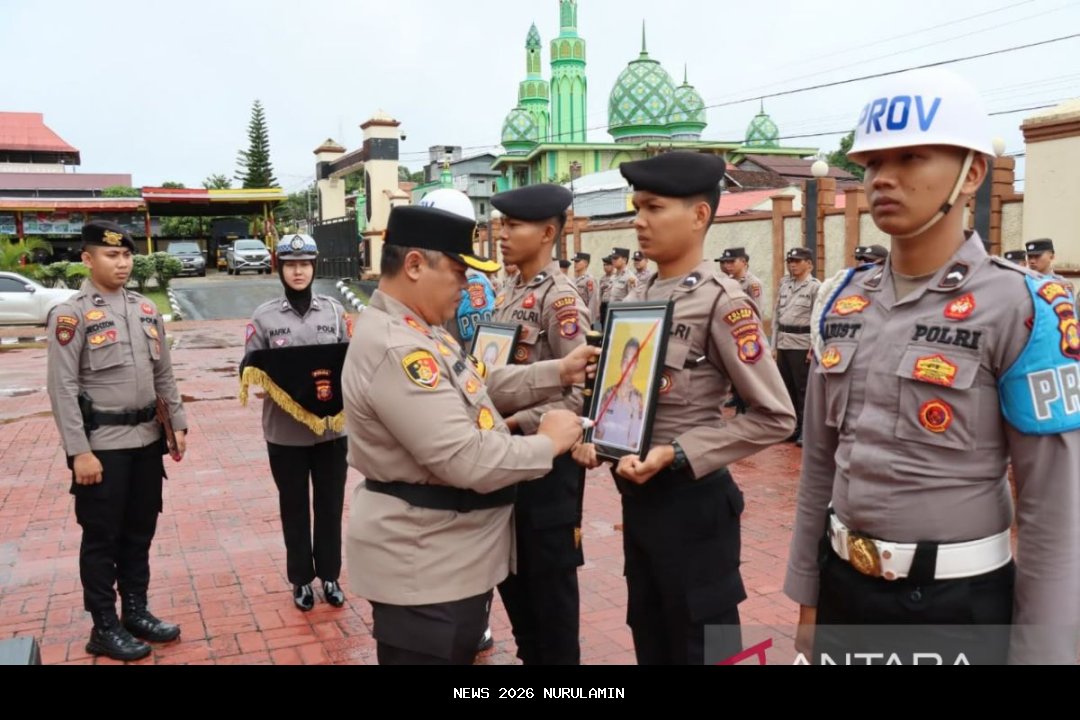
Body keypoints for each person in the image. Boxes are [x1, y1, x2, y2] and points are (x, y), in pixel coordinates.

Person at [784, 67, 1080, 665]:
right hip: (844, 587)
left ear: (972, 174)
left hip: (956, 608)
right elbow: (819, 463)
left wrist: (1043, 651)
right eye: (871, 164)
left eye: (911, 157)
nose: (882, 179)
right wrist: (807, 597)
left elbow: (1053, 507)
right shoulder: (843, 299)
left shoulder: (1026, 307)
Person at [341, 205, 597, 665]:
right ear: (416, 265)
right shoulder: (397, 346)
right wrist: (550, 442)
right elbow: (465, 458)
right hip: (424, 568)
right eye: (458, 273)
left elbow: (478, 383)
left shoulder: (421, 331)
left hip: (444, 561)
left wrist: (557, 370)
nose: (466, 288)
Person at [573, 152, 796, 665]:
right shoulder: (639, 296)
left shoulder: (723, 301)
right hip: (640, 500)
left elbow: (776, 416)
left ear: (699, 215)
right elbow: (629, 394)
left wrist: (676, 453)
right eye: (636, 207)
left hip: (694, 507)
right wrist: (599, 439)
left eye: (653, 207)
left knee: (701, 644)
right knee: (651, 633)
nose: (639, 220)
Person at [46, 220, 187, 661]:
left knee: (140, 532)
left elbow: (163, 372)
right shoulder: (69, 316)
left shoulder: (145, 309)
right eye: (112, 255)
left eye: (126, 255)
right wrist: (78, 452)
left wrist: (177, 421)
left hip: (147, 441)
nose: (122, 262)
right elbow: (62, 388)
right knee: (102, 538)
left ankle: (136, 612)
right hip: (102, 446)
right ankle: (103, 626)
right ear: (88, 260)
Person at [490, 183, 592, 665]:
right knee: (518, 593)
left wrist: (514, 422)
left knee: (550, 602)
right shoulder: (511, 288)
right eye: (502, 224)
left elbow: (578, 392)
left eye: (513, 225)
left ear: (548, 232)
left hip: (548, 471)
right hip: (511, 465)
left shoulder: (561, 300)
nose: (502, 233)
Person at [244, 234, 351, 611]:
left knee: (330, 505)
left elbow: (349, 364)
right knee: (293, 506)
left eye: (305, 263)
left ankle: (331, 576)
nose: (299, 270)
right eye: (291, 264)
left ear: (313, 266)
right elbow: (253, 370)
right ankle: (301, 580)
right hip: (285, 432)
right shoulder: (264, 317)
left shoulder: (335, 312)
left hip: (331, 430)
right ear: (280, 269)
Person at [772, 247, 820, 445]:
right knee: (787, 388)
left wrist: (813, 348)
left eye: (797, 261)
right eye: (790, 260)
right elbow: (776, 316)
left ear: (809, 264)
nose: (792, 264)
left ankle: (806, 431)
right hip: (784, 341)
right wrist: (773, 345)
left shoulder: (815, 287)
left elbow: (818, 319)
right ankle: (793, 428)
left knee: (803, 391)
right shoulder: (784, 284)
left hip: (802, 345)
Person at [810, 244, 888, 360]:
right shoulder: (842, 285)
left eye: (870, 261)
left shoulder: (888, 288)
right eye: (862, 260)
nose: (863, 264)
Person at [593, 337, 645, 450]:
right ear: (621, 363)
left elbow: (633, 442)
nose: (628, 365)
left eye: (632, 361)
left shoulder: (638, 399)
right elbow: (598, 432)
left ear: (636, 366)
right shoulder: (608, 394)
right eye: (625, 360)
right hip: (601, 454)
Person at [1025, 238, 1078, 312]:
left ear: (1051, 257)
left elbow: (1072, 313)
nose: (1032, 261)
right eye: (1030, 257)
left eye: (1037, 256)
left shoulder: (1064, 284)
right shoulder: (1023, 281)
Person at [572, 252, 600, 324]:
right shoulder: (572, 280)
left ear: (586, 263)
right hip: (574, 315)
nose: (575, 264)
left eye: (577, 261)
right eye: (574, 261)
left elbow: (592, 300)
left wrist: (589, 319)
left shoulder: (589, 280)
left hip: (584, 317)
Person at [599, 255, 615, 326]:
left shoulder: (616, 277)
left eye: (608, 265)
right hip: (603, 305)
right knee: (603, 325)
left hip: (612, 304)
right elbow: (600, 294)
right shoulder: (602, 278)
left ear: (613, 265)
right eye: (604, 265)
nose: (605, 267)